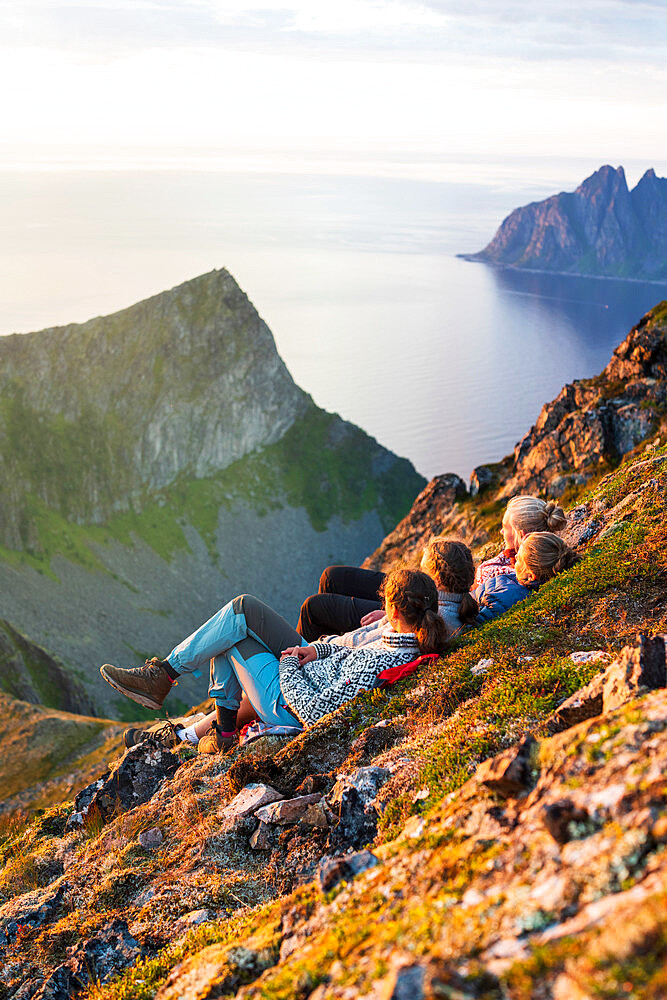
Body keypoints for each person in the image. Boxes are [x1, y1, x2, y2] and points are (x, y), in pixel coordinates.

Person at [100, 568, 448, 755]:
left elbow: (313, 710)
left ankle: (174, 686)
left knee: (229, 635)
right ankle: (171, 682)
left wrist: (288, 666)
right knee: (242, 608)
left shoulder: (382, 660)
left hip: (289, 702)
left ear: (396, 608)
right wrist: (316, 650)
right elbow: (347, 649)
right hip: (309, 666)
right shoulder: (399, 631)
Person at [296, 536, 480, 642]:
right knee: (332, 577)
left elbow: (370, 641)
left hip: (407, 610)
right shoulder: (458, 598)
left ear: (436, 581)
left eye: (423, 571)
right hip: (411, 601)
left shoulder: (436, 619)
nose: (417, 571)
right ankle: (328, 629)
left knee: (313, 608)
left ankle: (299, 660)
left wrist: (390, 619)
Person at [474, 531, 580, 625]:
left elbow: (474, 622)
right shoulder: (521, 580)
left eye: (519, 558)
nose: (515, 557)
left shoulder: (507, 599)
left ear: (531, 576)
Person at [475, 496, 567, 586]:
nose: (501, 531)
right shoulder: (555, 555)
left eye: (505, 527)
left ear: (522, 536)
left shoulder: (496, 575)